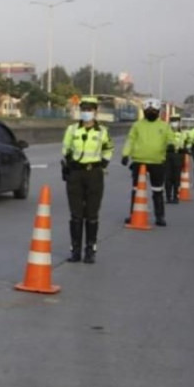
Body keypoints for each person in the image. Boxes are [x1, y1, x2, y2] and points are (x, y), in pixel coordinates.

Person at [61, 96, 113, 263]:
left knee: (92, 214)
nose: (86, 113)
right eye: (83, 109)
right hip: (75, 173)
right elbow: (66, 148)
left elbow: (108, 148)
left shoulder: (102, 131)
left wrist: (103, 163)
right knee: (75, 214)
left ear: (95, 111)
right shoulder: (72, 130)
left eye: (89, 109)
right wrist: (69, 162)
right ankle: (75, 250)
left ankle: (90, 250)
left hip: (94, 174)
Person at [121, 98, 174, 226]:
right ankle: (133, 214)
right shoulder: (137, 125)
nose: (151, 112)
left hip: (157, 162)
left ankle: (159, 216)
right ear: (144, 111)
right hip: (139, 161)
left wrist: (172, 145)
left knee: (157, 190)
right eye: (148, 110)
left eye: (154, 110)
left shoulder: (164, 126)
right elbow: (130, 140)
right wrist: (125, 154)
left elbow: (170, 138)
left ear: (158, 111)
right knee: (136, 190)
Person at [165, 112, 185, 204]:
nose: (174, 123)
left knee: (176, 178)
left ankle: (176, 196)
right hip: (167, 156)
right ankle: (168, 196)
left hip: (178, 156)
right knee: (167, 178)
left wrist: (185, 149)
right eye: (173, 121)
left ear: (179, 122)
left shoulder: (183, 134)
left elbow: (186, 144)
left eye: (176, 121)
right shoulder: (165, 132)